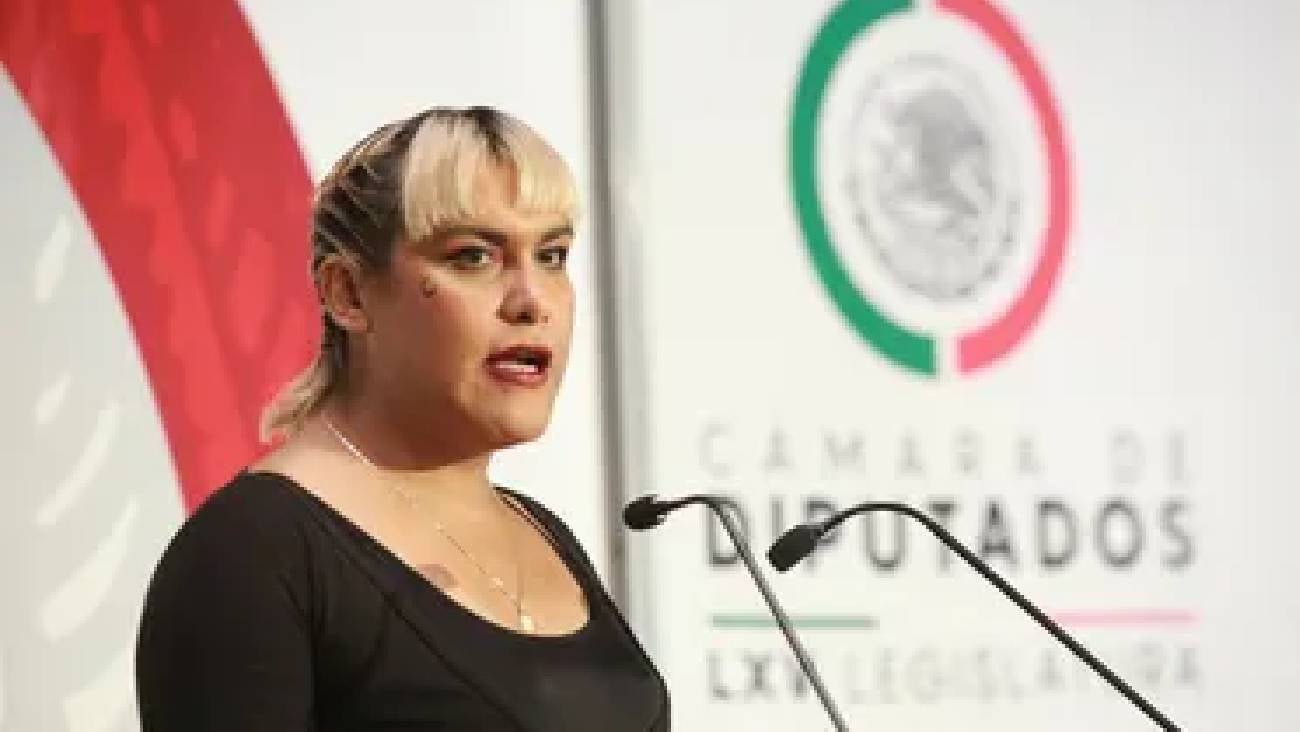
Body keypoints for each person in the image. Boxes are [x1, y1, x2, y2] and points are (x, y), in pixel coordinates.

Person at [134, 106, 670, 730]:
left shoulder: (546, 535)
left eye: (551, 255)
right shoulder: (252, 553)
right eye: (474, 257)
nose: (532, 301)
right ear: (348, 294)